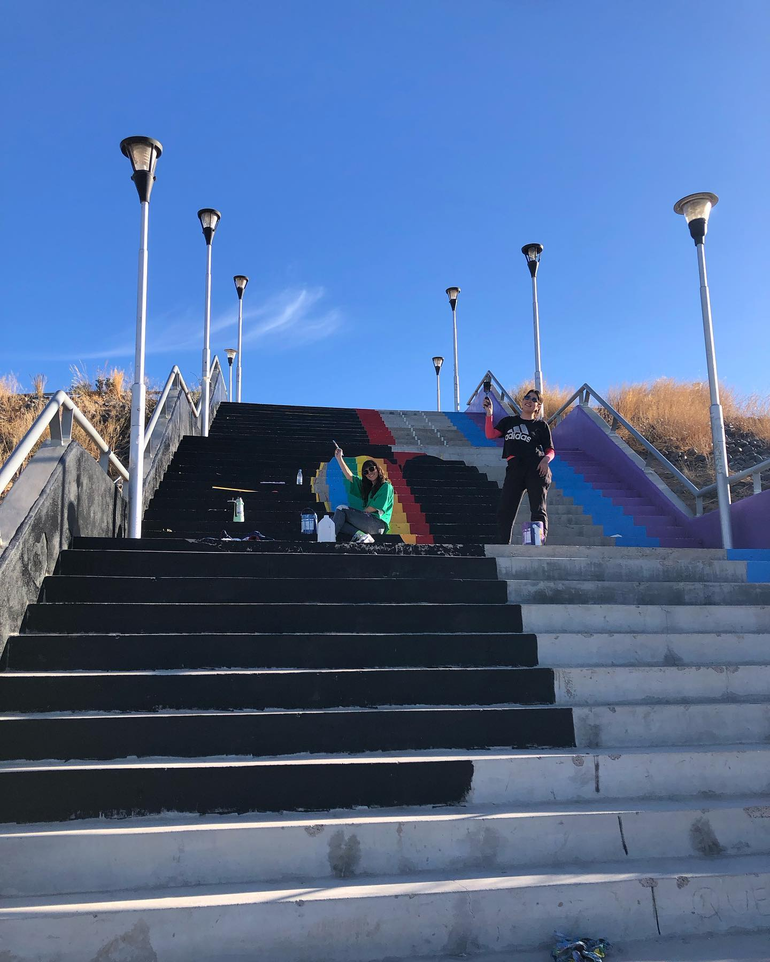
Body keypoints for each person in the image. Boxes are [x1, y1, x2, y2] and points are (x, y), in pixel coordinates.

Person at [483, 389, 555, 544]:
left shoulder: (541, 425)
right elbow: (490, 434)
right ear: (522, 402)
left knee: (538, 509)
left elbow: (550, 450)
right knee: (505, 510)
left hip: (536, 468)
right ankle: (503, 546)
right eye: (527, 397)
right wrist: (489, 414)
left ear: (538, 406)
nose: (529, 400)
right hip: (514, 469)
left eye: (534, 399)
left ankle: (537, 544)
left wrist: (545, 460)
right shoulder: (509, 422)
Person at [332, 447, 394, 543]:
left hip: (377, 524)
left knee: (341, 509)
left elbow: (374, 507)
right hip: (368, 523)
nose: (370, 473)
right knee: (336, 519)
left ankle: (328, 539)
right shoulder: (369, 488)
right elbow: (350, 477)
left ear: (377, 469)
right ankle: (363, 536)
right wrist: (339, 458)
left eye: (371, 469)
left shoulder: (386, 486)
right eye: (366, 472)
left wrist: (359, 514)